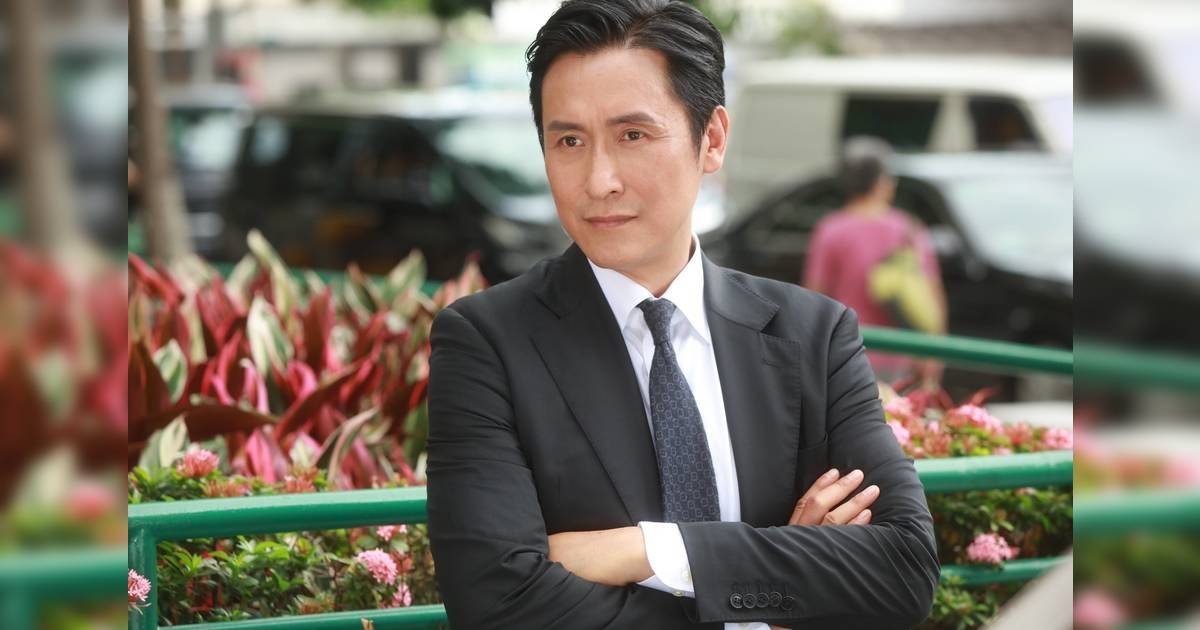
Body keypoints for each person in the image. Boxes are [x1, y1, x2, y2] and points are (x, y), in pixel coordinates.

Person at [426, 2, 939, 628]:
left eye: (633, 135)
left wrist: (647, 551)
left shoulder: (813, 335)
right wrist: (774, 588)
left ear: (712, 139)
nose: (599, 180)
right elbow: (496, 604)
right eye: (569, 141)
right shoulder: (487, 342)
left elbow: (903, 572)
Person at [804, 137, 948, 388]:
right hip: (903, 354)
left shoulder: (831, 230)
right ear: (881, 182)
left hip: (847, 354)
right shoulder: (909, 228)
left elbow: (813, 298)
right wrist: (934, 350)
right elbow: (932, 293)